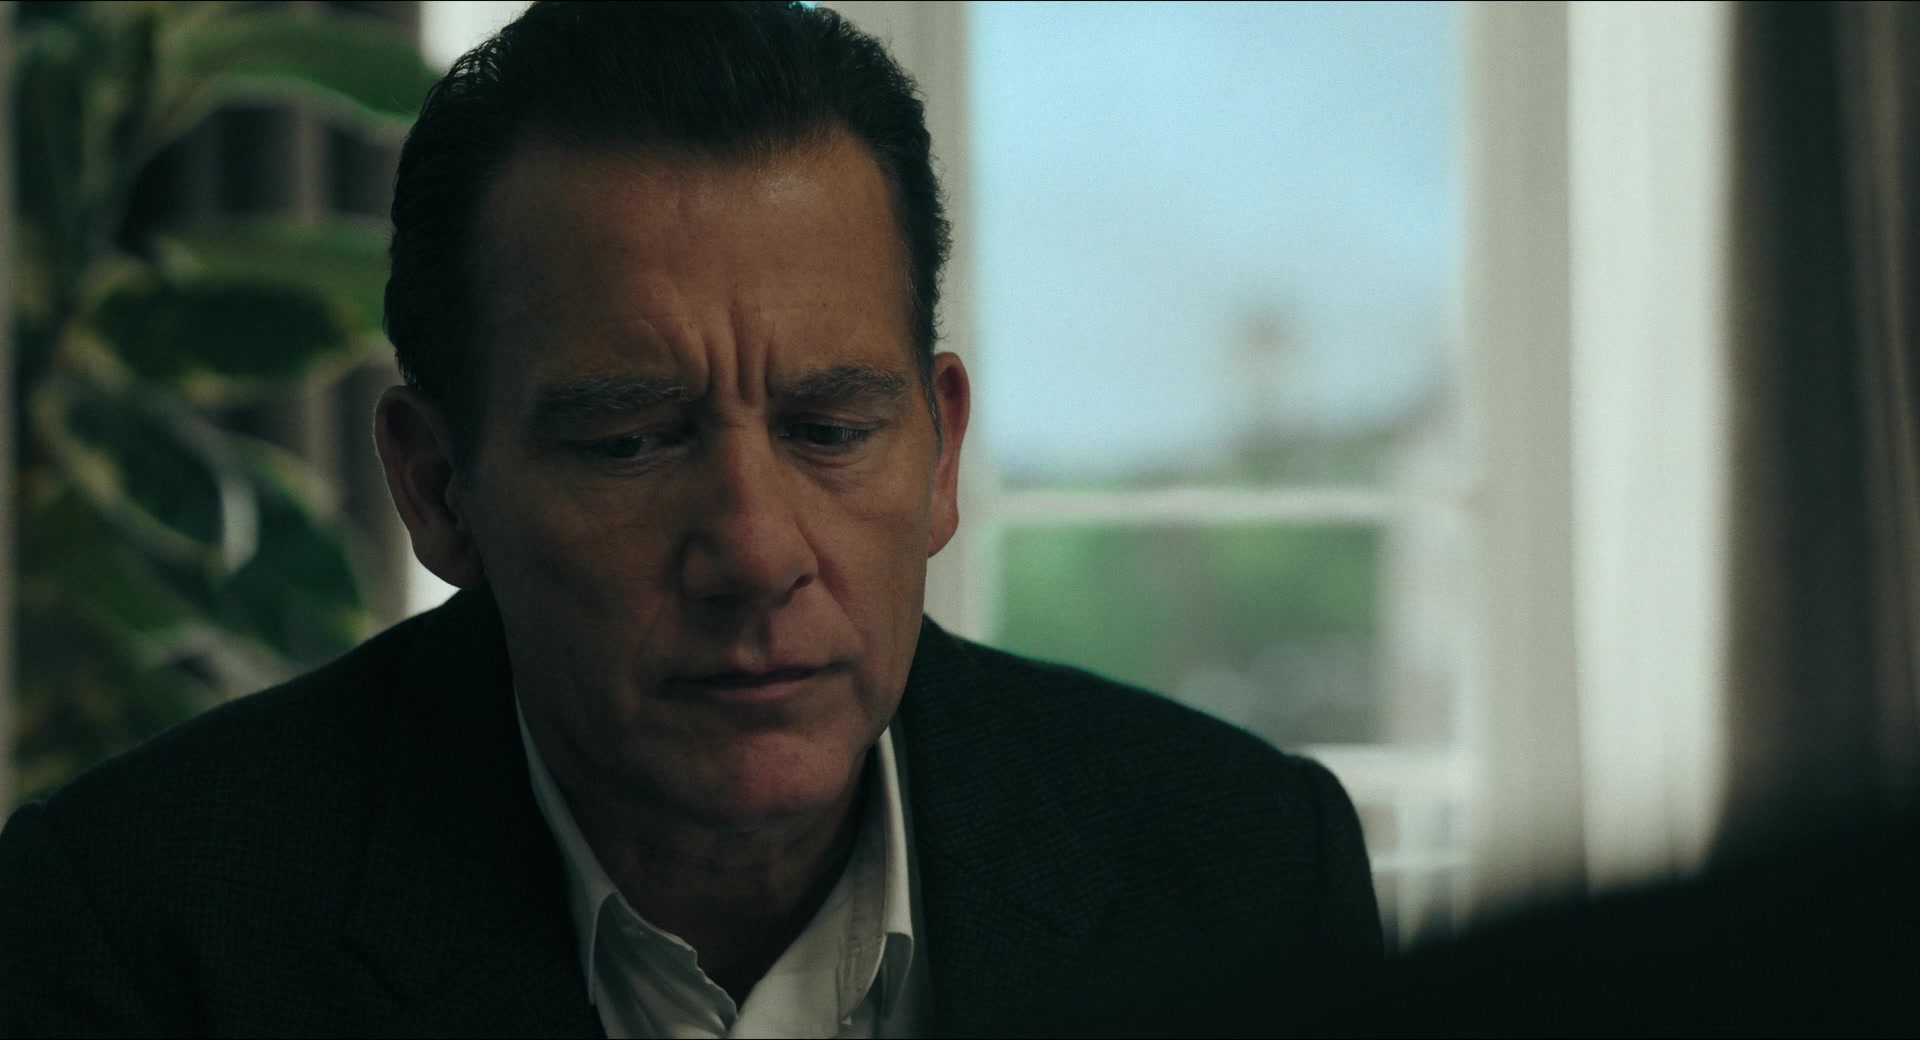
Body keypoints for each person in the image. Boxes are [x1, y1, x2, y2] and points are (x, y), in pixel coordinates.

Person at [0, 4, 1380, 1036]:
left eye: (830, 430)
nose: (758, 553)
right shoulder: (143, 930)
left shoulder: (1246, 875)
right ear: (436, 488)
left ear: (943, 451)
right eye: (629, 442)